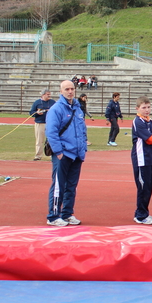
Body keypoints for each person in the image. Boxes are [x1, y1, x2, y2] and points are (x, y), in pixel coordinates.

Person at [45, 80, 87, 227]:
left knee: (71, 186)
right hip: (63, 154)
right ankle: (53, 216)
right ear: (61, 91)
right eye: (67, 89)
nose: (70, 91)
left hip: (76, 154)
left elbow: (82, 129)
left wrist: (83, 149)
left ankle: (67, 214)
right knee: (58, 185)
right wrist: (58, 151)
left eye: (72, 89)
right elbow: (51, 132)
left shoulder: (77, 108)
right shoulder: (56, 109)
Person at [132, 96, 152, 224]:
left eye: (148, 107)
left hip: (150, 158)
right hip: (141, 159)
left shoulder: (149, 121)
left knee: (148, 187)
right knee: (143, 187)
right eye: (144, 107)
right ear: (137, 108)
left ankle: (144, 212)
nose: (147, 110)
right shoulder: (138, 122)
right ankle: (140, 215)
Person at [29, 89, 55, 161]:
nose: (49, 95)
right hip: (40, 123)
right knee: (39, 140)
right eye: (48, 94)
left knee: (51, 139)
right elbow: (31, 112)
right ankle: (38, 155)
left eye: (50, 94)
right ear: (43, 95)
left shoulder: (52, 102)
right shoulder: (37, 102)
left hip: (50, 123)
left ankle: (52, 155)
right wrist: (37, 113)